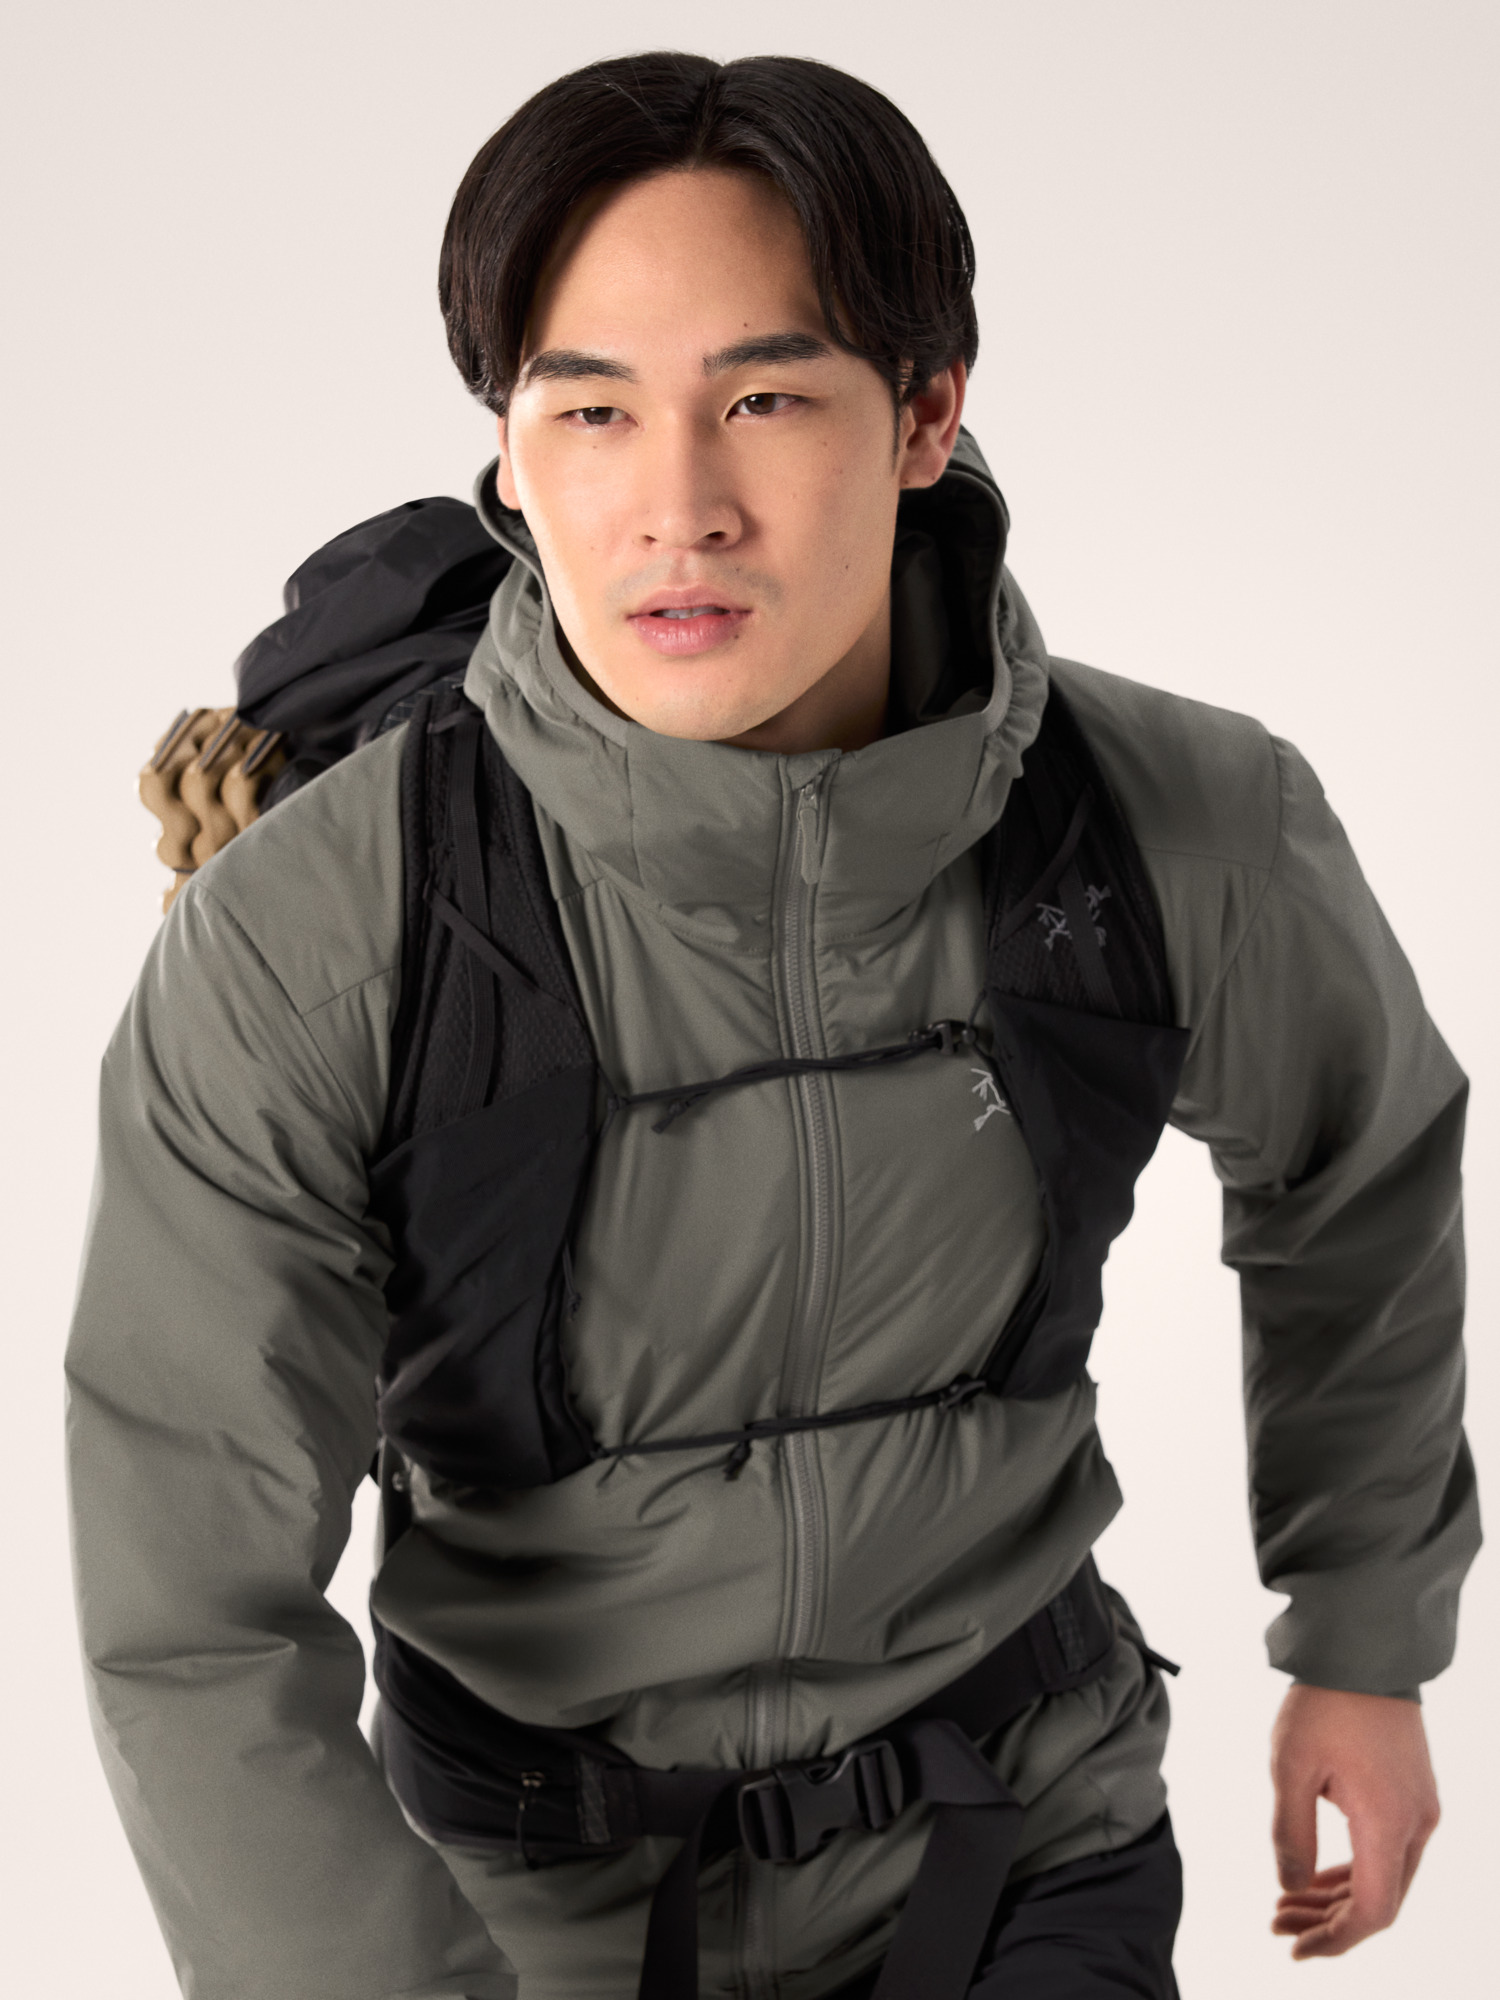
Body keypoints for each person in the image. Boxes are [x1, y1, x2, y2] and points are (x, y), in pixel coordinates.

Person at [66, 51, 1478, 2000]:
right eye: (591, 409)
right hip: (528, 1910)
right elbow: (192, 1615)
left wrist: (1366, 1640)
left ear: (924, 414)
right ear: (510, 458)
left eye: (765, 397)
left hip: (1020, 1836)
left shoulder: (1176, 826)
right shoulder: (319, 940)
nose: (680, 507)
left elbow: (1356, 1165)